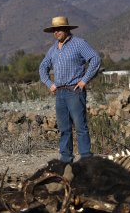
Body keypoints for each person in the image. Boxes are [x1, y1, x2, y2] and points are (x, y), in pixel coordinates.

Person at [39, 16, 101, 163]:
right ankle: (66, 160)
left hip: (74, 92)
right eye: (54, 30)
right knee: (64, 129)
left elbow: (95, 59)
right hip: (59, 93)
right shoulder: (53, 49)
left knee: (80, 126)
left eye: (59, 29)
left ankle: (86, 160)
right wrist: (49, 83)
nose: (56, 32)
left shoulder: (79, 44)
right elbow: (43, 67)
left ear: (67, 29)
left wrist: (84, 81)